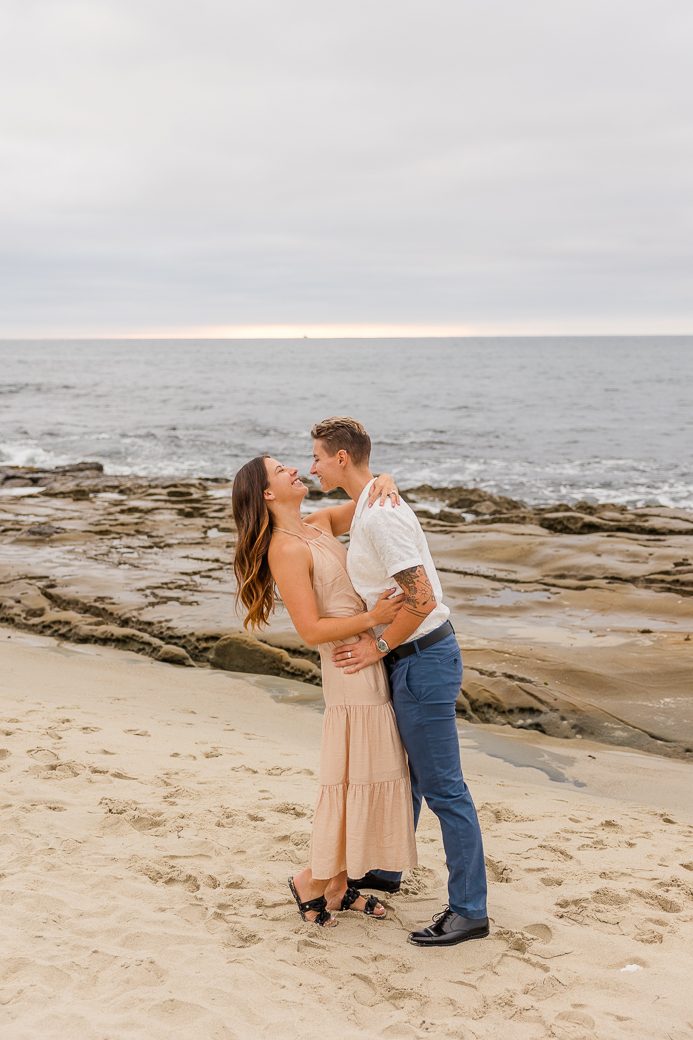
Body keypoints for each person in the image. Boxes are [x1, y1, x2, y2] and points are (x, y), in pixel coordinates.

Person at [310, 416, 489, 948]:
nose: (312, 465)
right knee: (402, 774)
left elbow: (422, 598)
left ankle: (469, 911)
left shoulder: (380, 517)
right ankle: (387, 869)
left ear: (341, 457)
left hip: (421, 659)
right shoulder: (368, 502)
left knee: (443, 789)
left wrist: (378, 645)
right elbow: (314, 522)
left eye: (317, 455)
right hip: (409, 659)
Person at [232, 456, 418, 929]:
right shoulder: (284, 549)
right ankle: (310, 880)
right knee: (351, 777)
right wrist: (374, 619)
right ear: (268, 493)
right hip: (347, 666)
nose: (296, 469)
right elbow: (311, 630)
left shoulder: (317, 525)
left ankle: (338, 885)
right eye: (281, 470)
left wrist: (385, 478)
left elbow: (367, 501)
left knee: (367, 773)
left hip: (369, 657)